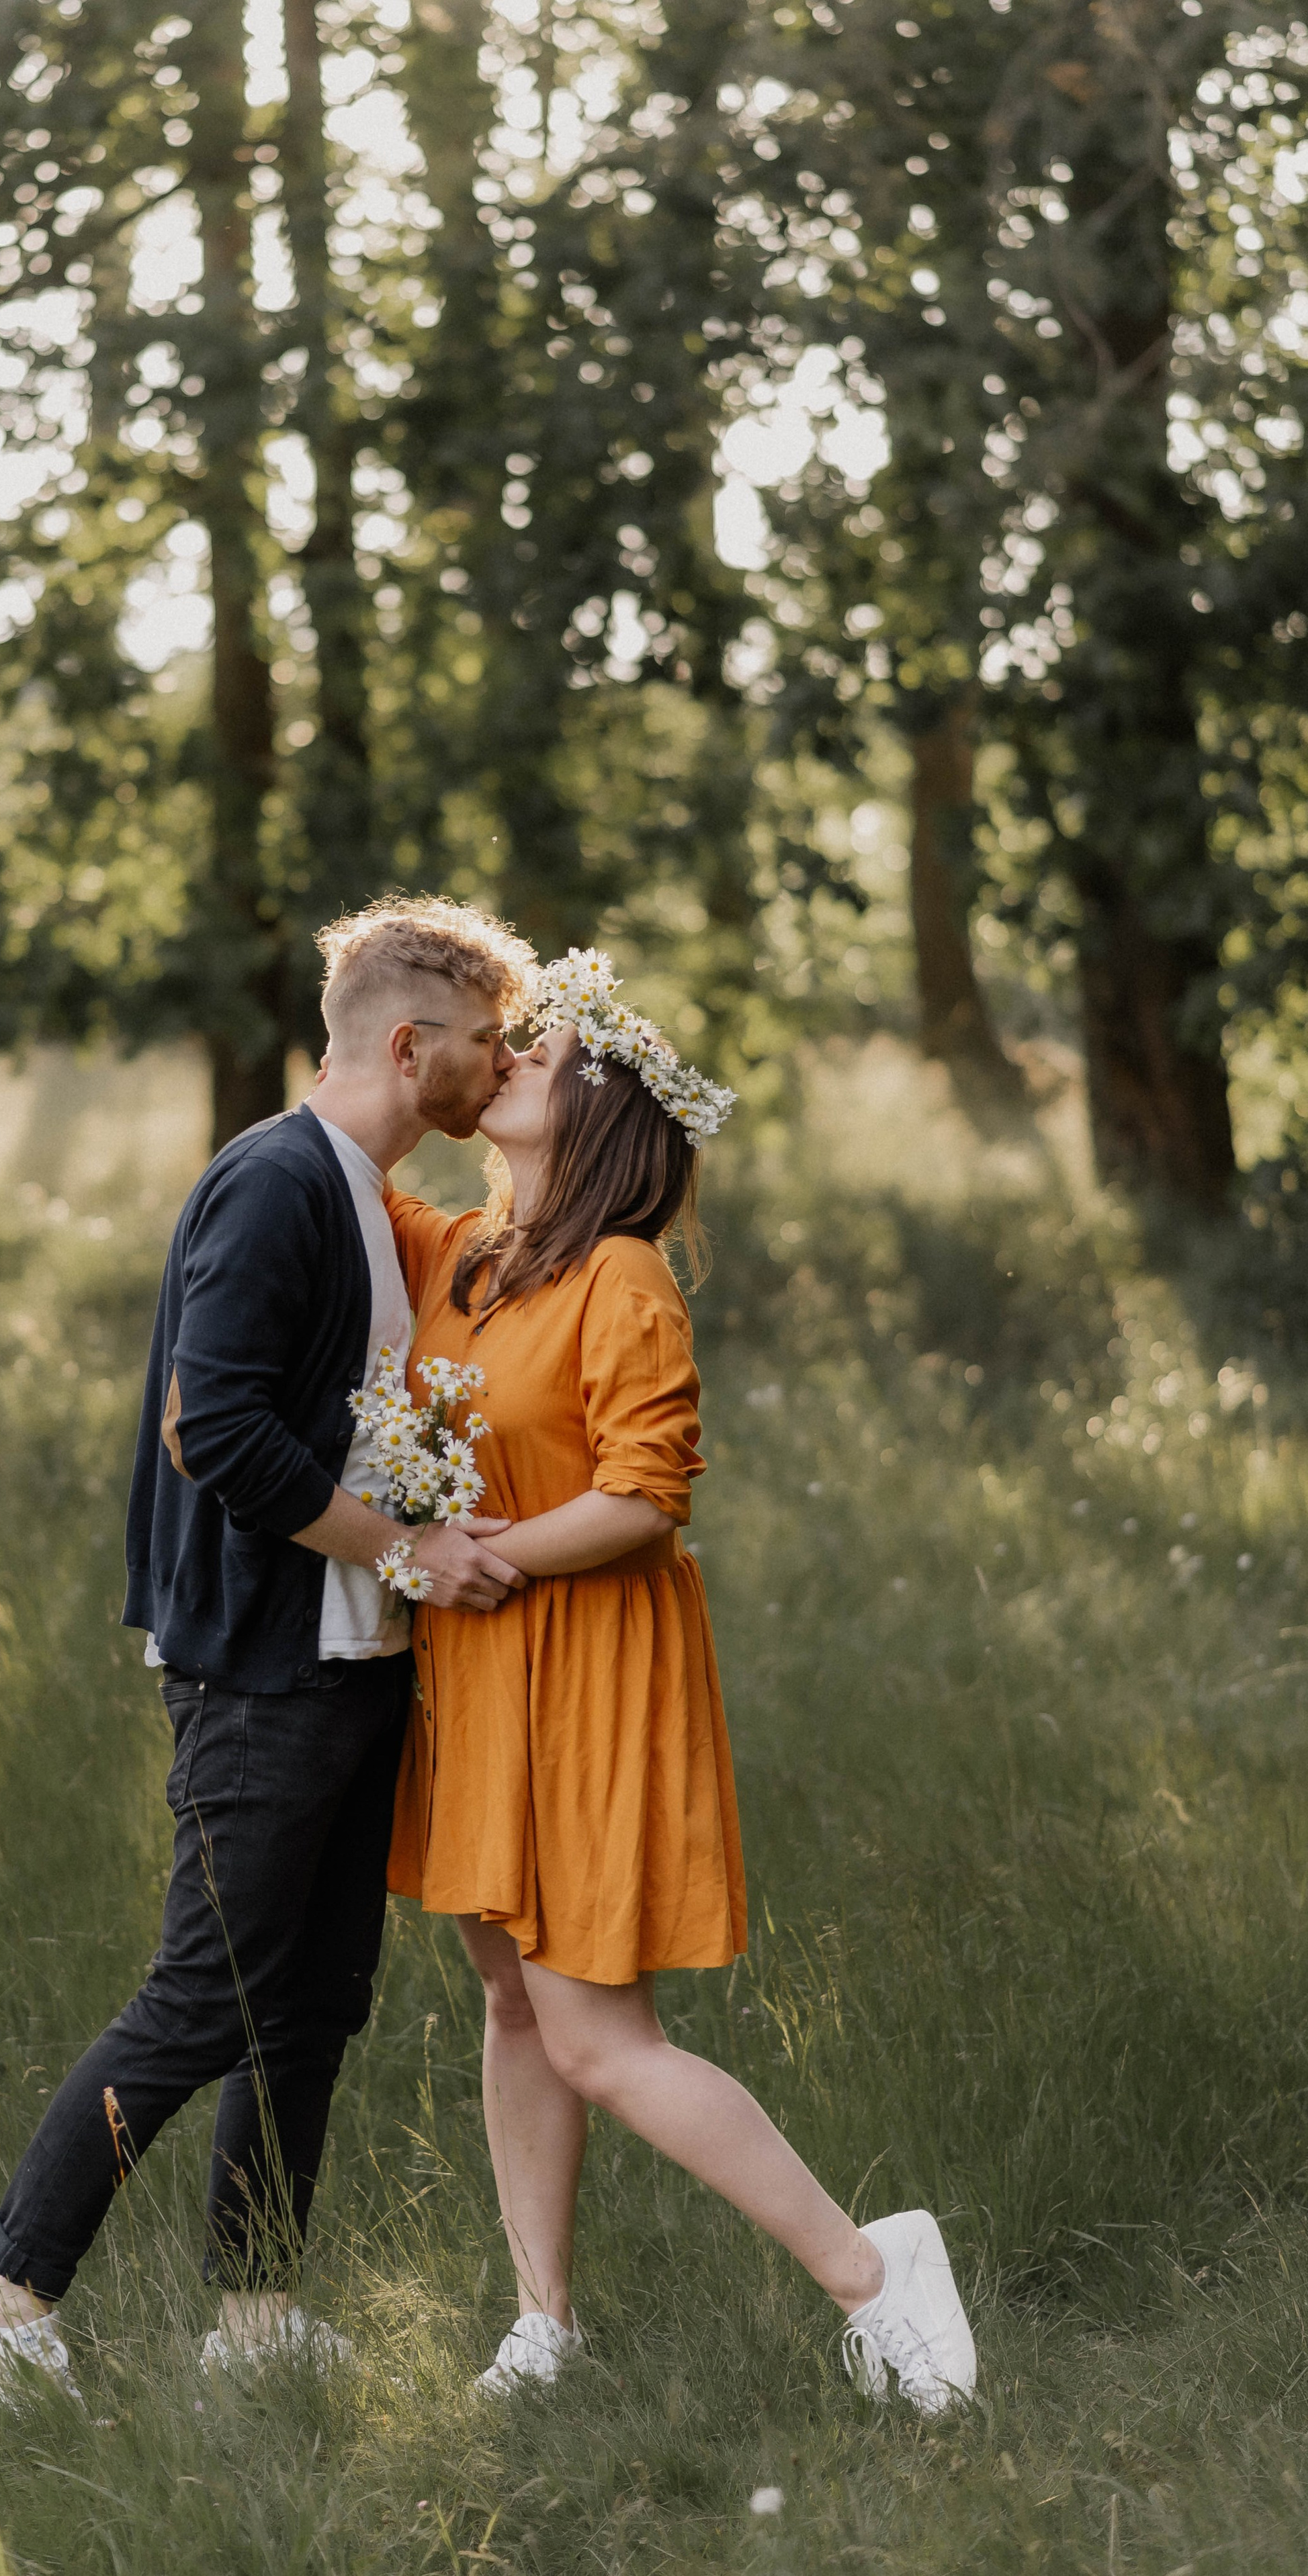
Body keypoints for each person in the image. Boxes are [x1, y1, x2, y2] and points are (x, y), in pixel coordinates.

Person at [0, 896, 536, 2406]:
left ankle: (251, 2321)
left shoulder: (358, 1196)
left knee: (311, 2001)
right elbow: (217, 1430)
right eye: (485, 1041)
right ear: (408, 1044)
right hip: (261, 1664)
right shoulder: (274, 1183)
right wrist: (402, 1549)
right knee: (207, 1993)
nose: (500, 1064)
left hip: (344, 1656)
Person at [382, 949, 977, 2416]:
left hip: (583, 1661)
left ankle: (869, 2273)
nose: (504, 1059)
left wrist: (476, 1553)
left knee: (596, 2031)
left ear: (596, 1114)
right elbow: (341, 1119)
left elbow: (646, 1497)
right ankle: (542, 2322)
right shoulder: (456, 1252)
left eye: (538, 1054)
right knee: (513, 2004)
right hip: (480, 1671)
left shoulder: (622, 1275)